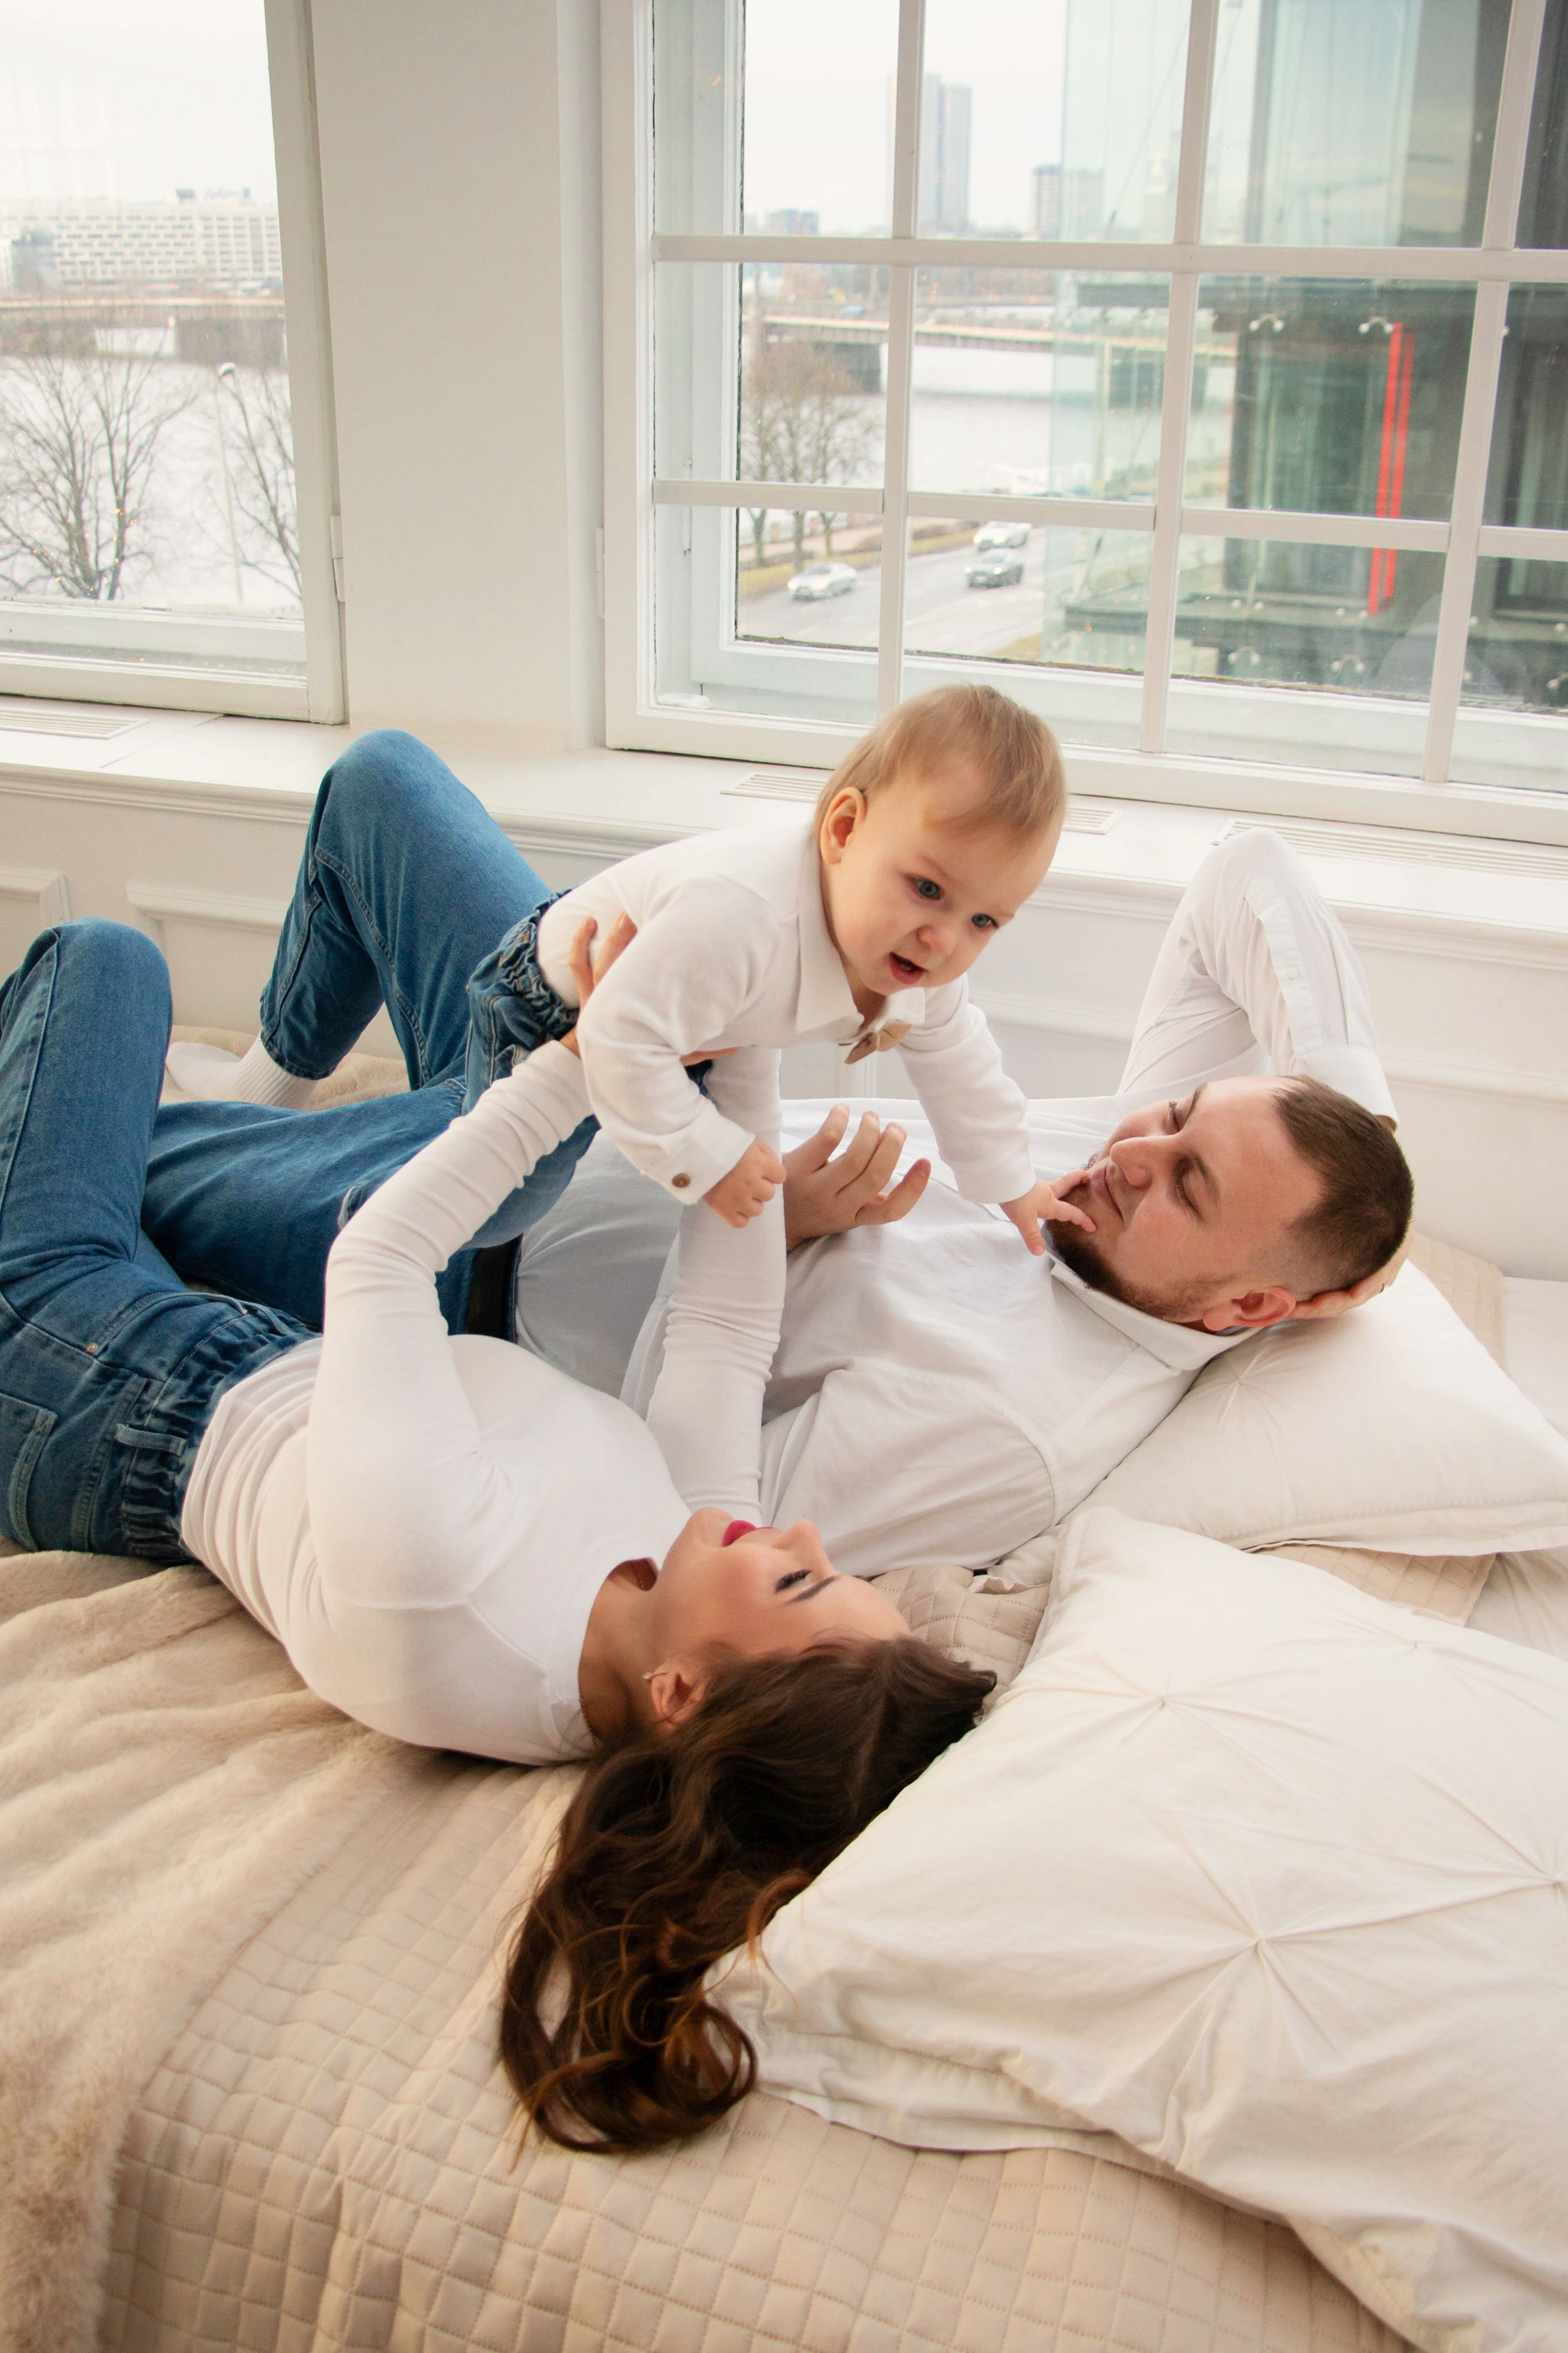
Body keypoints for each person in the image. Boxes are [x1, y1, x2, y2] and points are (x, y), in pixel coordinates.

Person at [148, 728, 1413, 1578]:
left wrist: (767, 1226)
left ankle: (235, 1131)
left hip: (479, 1242)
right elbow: (1247, 874)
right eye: (1177, 1115)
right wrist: (1366, 1128)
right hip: (605, 1058)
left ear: (1249, 1306)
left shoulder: (1011, 1432)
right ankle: (269, 1082)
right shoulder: (1119, 1168)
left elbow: (679, 1509)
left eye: (1189, 1179)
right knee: (380, 781)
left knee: (141, 1164)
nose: (1139, 1148)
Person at [0, 911, 999, 1785]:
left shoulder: (458, 1594)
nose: (805, 1536)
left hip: (87, 1382)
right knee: (96, 1123)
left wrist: (583, 1059)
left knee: (106, 963)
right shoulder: (682, 1584)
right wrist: (752, 1028)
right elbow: (721, 1332)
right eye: (830, 1567)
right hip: (238, 1351)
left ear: (681, 1695)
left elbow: (381, 1260)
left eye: (799, 1581)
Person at [174, 687, 1090, 1515]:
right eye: (927, 889)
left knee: (736, 1243)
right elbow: (615, 1037)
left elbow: (961, 1059)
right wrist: (707, 1156)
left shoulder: (916, 963)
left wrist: (1013, 1183)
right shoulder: (745, 920)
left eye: (984, 920)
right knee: (500, 1199)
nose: (943, 940)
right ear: (843, 830)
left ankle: (710, 1504)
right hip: (552, 1010)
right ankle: (271, 1105)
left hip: (703, 1035)